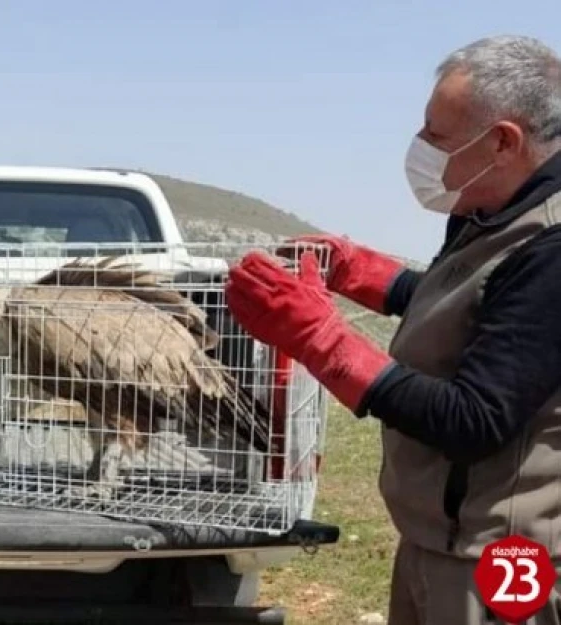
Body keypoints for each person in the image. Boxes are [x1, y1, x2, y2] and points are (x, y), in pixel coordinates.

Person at [225, 34, 561, 624]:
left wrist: (319, 340)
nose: (422, 148)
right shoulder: (488, 207)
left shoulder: (552, 247)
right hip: (438, 538)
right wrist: (363, 274)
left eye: (438, 136)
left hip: (495, 558)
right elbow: (469, 309)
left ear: (504, 141)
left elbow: (474, 420)